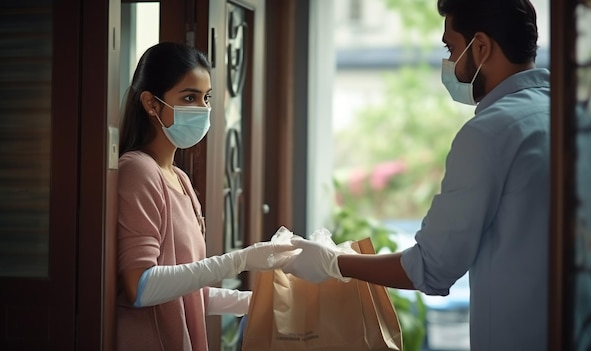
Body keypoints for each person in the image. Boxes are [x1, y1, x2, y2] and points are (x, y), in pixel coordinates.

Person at [283, 0, 552, 350]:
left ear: (481, 47)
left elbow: (431, 267)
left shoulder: (492, 131)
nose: (450, 62)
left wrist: (333, 262)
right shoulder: (572, 120)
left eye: (451, 48)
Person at [116, 42, 295, 351]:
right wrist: (239, 260)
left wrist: (260, 303)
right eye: (189, 97)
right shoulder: (137, 171)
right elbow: (141, 287)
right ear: (151, 104)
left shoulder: (181, 180)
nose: (202, 108)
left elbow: (189, 292)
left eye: (206, 98)